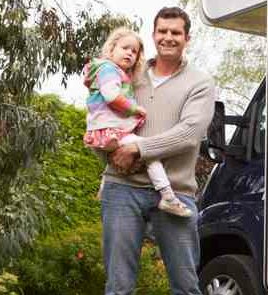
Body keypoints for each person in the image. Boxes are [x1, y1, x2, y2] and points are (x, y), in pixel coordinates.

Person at [82, 6, 243, 295]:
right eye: (162, 31)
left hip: (176, 192)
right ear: (153, 35)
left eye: (176, 32)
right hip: (123, 189)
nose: (168, 37)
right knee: (118, 288)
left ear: (188, 38)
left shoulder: (200, 82)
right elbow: (101, 117)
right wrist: (111, 155)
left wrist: (139, 149)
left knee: (187, 287)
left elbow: (189, 135)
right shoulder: (128, 74)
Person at [82, 26, 192, 217]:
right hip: (110, 131)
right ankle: (168, 196)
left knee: (114, 159)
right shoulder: (108, 69)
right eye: (125, 48)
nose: (130, 53)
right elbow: (111, 96)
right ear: (111, 49)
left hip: (101, 131)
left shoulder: (110, 71)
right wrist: (136, 109)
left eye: (134, 52)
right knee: (149, 152)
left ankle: (104, 186)